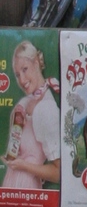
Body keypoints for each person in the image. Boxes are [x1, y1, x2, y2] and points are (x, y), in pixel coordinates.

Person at [1, 41, 60, 194]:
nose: (22, 80)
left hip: (28, 190)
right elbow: (15, 150)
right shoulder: (24, 103)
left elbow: (58, 173)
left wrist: (24, 166)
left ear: (36, 62)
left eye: (25, 69)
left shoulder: (46, 108)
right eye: (17, 74)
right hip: (9, 185)